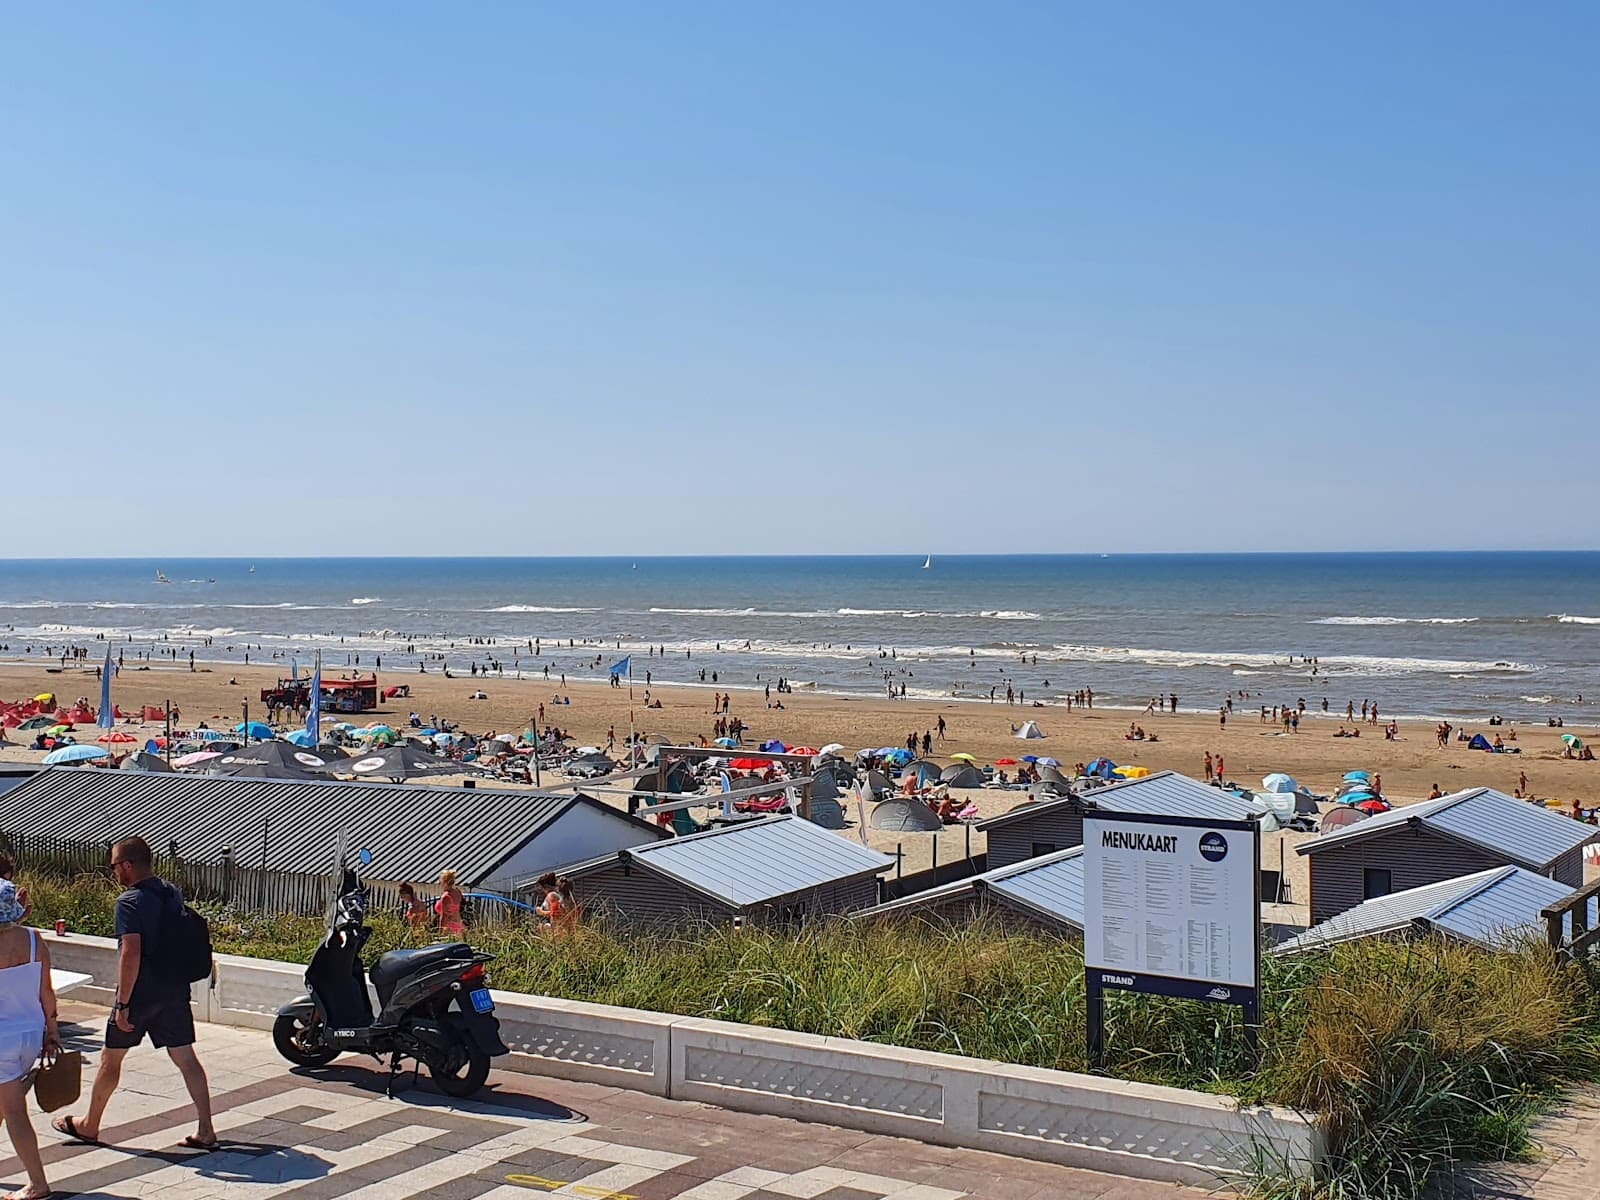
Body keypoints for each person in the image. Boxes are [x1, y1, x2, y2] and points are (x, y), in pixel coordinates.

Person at [55, 837, 217, 1152]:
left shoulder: (129, 902)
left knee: (110, 1059)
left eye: (114, 865)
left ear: (128, 865)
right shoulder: (171, 892)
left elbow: (131, 954)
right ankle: (206, 1129)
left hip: (140, 993)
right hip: (174, 989)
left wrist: (123, 1004)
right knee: (185, 1057)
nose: (113, 871)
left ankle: (90, 1125)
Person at [0, 881, 58, 1200]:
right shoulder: (35, 940)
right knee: (3, 1102)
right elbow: (46, 993)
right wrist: (53, 1031)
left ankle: (37, 1182)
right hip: (30, 1036)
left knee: (14, 1112)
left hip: (1, 1041)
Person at [435, 870, 466, 936]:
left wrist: (440, 931)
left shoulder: (446, 897)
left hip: (449, 927)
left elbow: (443, 917)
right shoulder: (457, 892)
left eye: (441, 882)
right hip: (459, 924)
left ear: (445, 882)